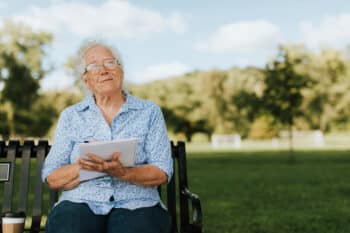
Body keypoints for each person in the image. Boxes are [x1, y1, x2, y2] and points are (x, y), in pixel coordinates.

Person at [42, 40, 173, 233]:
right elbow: (52, 177)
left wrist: (125, 173)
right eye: (94, 66)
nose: (103, 70)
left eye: (110, 62)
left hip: (138, 202)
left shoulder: (149, 112)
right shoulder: (71, 115)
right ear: (86, 80)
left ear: (121, 71)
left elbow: (162, 170)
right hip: (80, 201)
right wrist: (83, 165)